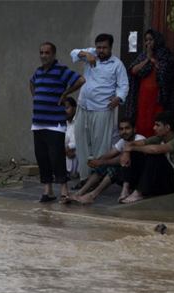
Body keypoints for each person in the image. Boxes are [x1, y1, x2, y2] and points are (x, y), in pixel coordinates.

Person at [70, 34, 130, 190]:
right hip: (83, 106)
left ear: (111, 47)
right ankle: (84, 178)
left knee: (100, 146)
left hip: (102, 108)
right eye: (99, 47)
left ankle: (97, 179)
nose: (101, 50)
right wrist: (86, 54)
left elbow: (124, 86)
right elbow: (73, 53)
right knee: (81, 143)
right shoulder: (91, 54)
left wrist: (118, 98)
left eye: (104, 47)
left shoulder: (117, 64)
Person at [30, 42, 85, 203]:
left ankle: (64, 191)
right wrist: (36, 97)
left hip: (55, 123)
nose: (43, 56)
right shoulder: (38, 72)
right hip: (38, 122)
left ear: (53, 54)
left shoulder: (61, 70)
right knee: (42, 157)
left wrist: (65, 93)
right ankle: (48, 192)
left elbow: (80, 80)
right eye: (41, 53)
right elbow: (31, 82)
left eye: (47, 53)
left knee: (57, 157)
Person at [118, 111, 174, 203]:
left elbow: (155, 150)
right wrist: (128, 151)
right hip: (160, 180)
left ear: (167, 127)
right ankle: (125, 190)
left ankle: (138, 193)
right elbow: (132, 143)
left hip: (173, 184)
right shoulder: (159, 138)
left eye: (157, 125)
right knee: (134, 152)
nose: (154, 128)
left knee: (154, 155)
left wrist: (132, 148)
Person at [71, 118, 145, 204]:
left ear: (134, 129)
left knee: (114, 168)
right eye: (121, 129)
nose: (124, 131)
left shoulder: (139, 139)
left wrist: (101, 162)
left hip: (139, 179)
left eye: (127, 128)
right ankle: (80, 192)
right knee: (103, 165)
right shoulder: (122, 142)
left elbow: (121, 160)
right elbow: (108, 155)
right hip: (128, 176)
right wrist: (96, 161)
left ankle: (93, 195)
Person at [126, 29, 174, 138]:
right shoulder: (143, 56)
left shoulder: (165, 55)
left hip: (159, 97)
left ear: (157, 40)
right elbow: (133, 70)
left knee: (156, 121)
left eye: (151, 40)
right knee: (143, 121)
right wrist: (147, 59)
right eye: (146, 40)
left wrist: (153, 59)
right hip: (143, 97)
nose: (148, 43)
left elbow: (165, 73)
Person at [63, 97, 80, 179]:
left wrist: (68, 147)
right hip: (68, 153)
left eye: (67, 108)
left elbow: (82, 141)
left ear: (74, 107)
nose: (64, 111)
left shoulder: (80, 122)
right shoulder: (64, 123)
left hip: (78, 154)